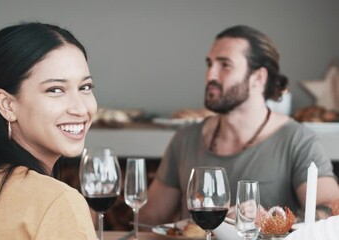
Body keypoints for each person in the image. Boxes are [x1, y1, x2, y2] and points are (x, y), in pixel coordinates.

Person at [140, 25, 339, 224]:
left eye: (225, 65)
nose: (211, 75)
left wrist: (269, 220)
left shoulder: (298, 141)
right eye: (210, 64)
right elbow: (151, 217)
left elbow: (331, 208)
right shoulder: (185, 139)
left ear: (258, 78)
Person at [0, 22, 98, 239]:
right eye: (55, 90)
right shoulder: (58, 202)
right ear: (7, 105)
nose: (80, 108)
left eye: (85, 87)